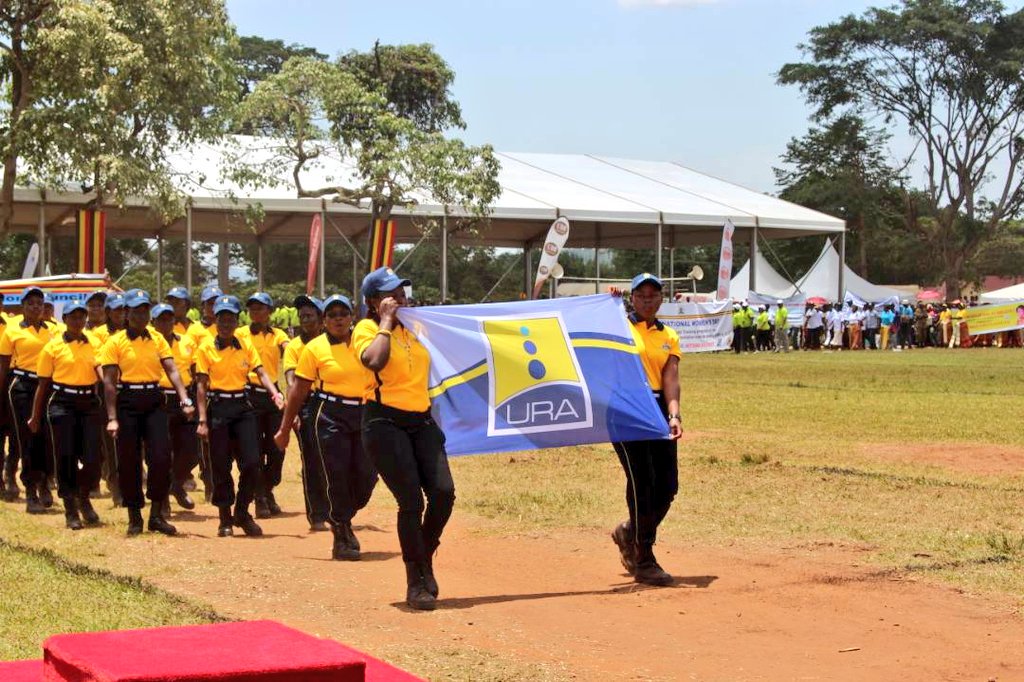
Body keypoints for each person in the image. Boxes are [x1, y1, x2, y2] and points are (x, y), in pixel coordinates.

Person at [354, 267, 454, 611]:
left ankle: (423, 554)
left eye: (401, 292)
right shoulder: (366, 329)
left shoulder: (416, 327)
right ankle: (416, 580)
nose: (398, 298)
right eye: (389, 293)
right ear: (371, 302)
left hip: (421, 420)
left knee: (443, 493)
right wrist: (385, 323)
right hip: (384, 422)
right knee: (411, 501)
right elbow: (373, 362)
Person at [275, 294, 377, 561]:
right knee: (336, 473)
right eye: (331, 314)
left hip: (366, 412)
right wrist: (285, 428)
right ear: (324, 320)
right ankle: (341, 533)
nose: (338, 318)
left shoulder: (366, 342)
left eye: (343, 313)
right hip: (330, 414)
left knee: (367, 475)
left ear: (352, 316)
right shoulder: (314, 348)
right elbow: (298, 390)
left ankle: (344, 515)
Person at [100, 290, 194, 536]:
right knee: (129, 461)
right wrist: (111, 418)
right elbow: (109, 382)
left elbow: (172, 370)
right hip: (127, 401)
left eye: (144, 310)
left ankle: (156, 515)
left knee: (161, 457)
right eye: (136, 311)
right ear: (126, 313)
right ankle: (134, 516)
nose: (141, 315)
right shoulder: (115, 342)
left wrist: (184, 398)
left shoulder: (157, 339)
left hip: (154, 400)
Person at [609, 273, 682, 587]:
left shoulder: (669, 335)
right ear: (632, 297)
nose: (648, 299)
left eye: (654, 294)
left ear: (661, 299)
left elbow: (671, 378)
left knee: (667, 487)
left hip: (657, 409)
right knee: (642, 482)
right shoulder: (617, 326)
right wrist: (609, 302)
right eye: (641, 294)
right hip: (625, 408)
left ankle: (629, 531)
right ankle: (644, 557)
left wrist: (675, 414)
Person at [194, 295, 284, 538]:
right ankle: (225, 517)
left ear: (236, 320)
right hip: (218, 410)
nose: (225, 323)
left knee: (252, 462)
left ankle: (242, 513)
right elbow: (201, 386)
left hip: (243, 408)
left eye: (230, 318)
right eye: (222, 318)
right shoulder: (205, 348)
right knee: (221, 465)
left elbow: (262, 372)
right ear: (216, 320)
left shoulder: (245, 345)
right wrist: (202, 420)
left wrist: (275, 393)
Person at [26, 299, 102, 529]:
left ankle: (84, 496)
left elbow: (100, 367)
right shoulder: (52, 346)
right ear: (65, 319)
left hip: (89, 402)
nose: (78, 321)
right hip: (62, 403)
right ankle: (71, 508)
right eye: (73, 317)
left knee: (92, 457)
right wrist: (35, 416)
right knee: (66, 456)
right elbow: (42, 385)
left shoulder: (95, 342)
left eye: (81, 316)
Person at [0, 286, 56, 512]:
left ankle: (45, 482)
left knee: (47, 437)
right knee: (27, 437)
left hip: (48, 385)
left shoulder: (52, 332)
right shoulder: (12, 332)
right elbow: (3, 365)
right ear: (23, 306)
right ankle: (31, 489)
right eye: (31, 303)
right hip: (22, 386)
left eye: (39, 303)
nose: (35, 307)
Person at [235, 292, 290, 518]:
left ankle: (268, 487)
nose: (255, 312)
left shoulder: (278, 335)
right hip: (249, 393)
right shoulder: (240, 334)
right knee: (254, 450)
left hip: (273, 395)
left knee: (277, 449)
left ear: (270, 311)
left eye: (260, 308)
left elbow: (289, 347)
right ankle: (259, 498)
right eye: (252, 308)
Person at [279, 294, 330, 532]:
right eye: (302, 316)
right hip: (307, 405)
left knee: (335, 460)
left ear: (321, 319)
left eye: (309, 315)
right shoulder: (294, 347)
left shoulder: (333, 342)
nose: (304, 319)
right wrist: (295, 411)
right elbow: (291, 382)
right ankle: (317, 514)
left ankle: (337, 509)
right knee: (311, 460)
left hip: (332, 404)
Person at [150, 303, 198, 512]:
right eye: (161, 319)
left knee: (191, 450)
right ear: (153, 322)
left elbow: (196, 369)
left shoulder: (187, 342)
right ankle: (162, 501)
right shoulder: (148, 342)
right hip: (158, 398)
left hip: (184, 398)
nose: (166, 323)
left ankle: (176, 484)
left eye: (169, 319)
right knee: (162, 451)